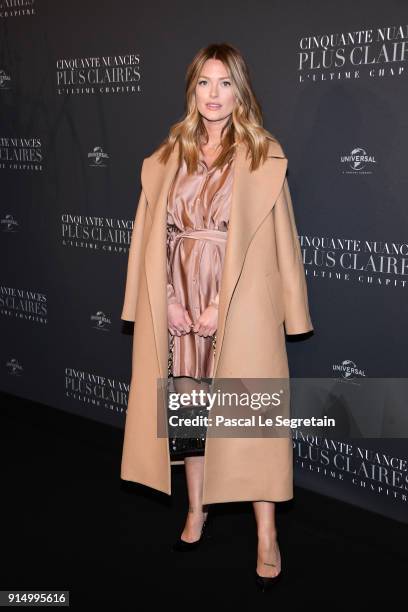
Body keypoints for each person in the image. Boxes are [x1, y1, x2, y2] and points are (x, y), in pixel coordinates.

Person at [120, 42, 314, 591]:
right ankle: (196, 508)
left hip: (238, 299)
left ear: (240, 91)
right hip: (178, 297)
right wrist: (169, 301)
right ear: (192, 90)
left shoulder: (261, 154)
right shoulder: (167, 155)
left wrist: (219, 307)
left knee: (250, 417)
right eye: (204, 83)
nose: (214, 94)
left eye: (225, 83)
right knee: (189, 414)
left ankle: (266, 534)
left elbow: (280, 243)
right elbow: (149, 240)